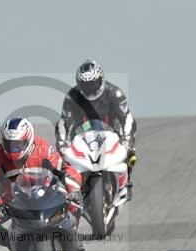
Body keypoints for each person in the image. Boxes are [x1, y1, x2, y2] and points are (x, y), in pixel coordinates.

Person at [0, 117, 84, 251]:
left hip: (47, 190)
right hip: (13, 197)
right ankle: (13, 245)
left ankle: (73, 236)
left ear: (29, 139)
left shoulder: (43, 148)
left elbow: (66, 169)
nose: (14, 150)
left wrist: (74, 190)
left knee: (75, 202)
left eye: (19, 144)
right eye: (10, 144)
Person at [55, 60, 137, 199]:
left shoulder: (114, 93)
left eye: (93, 83)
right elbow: (64, 121)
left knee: (131, 153)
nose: (90, 88)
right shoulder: (72, 96)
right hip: (82, 134)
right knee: (63, 160)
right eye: (85, 85)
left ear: (101, 79)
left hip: (112, 131)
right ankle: (72, 188)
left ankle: (127, 182)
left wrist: (127, 140)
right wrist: (62, 143)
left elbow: (126, 118)